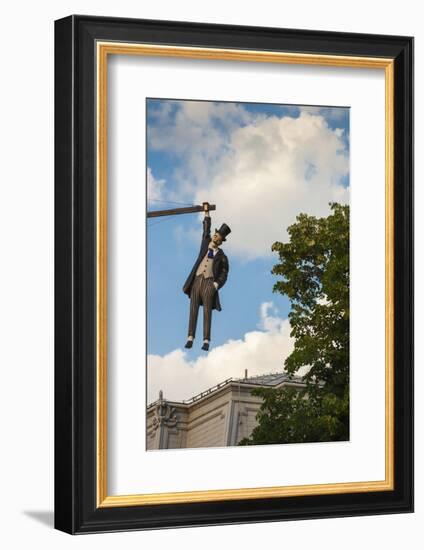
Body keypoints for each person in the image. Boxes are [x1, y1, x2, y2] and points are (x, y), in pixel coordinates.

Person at [182, 203, 231, 351]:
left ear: (221, 241)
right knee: (193, 308)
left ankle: (206, 340)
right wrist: (207, 214)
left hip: (210, 283)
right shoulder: (205, 244)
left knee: (207, 312)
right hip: (197, 279)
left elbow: (224, 273)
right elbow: (206, 230)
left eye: (218, 237)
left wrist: (216, 285)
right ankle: (190, 337)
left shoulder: (222, 256)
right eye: (215, 234)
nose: (215, 237)